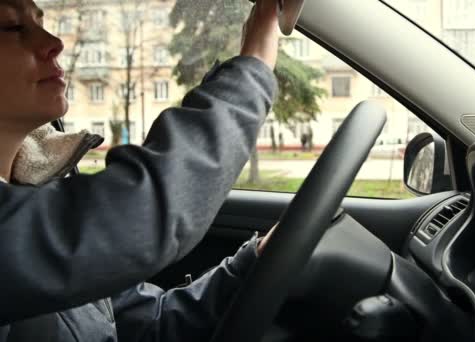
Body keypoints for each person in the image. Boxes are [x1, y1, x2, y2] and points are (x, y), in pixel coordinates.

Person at [0, 0, 279, 340]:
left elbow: (147, 323)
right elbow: (142, 213)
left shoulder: (34, 189)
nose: (53, 42)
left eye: (41, 22)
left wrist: (255, 262)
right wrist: (255, 64)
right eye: (13, 27)